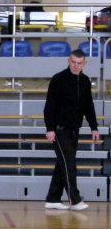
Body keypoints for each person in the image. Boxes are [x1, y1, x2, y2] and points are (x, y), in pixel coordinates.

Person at [43, 49, 99, 211]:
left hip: (75, 129)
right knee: (69, 165)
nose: (76, 66)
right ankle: (74, 200)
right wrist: (50, 128)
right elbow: (49, 106)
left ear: (84, 64)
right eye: (73, 62)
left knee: (63, 165)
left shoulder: (85, 81)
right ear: (69, 61)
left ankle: (52, 198)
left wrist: (93, 127)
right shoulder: (58, 79)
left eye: (79, 63)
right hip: (59, 130)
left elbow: (88, 106)